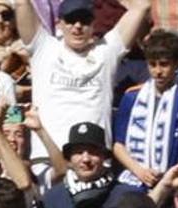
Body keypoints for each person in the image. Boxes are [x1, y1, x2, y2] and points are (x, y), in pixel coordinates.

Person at [17, 0, 152, 171]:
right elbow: (21, 3)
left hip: (94, 160)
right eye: (71, 20)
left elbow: (142, 6)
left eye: (84, 20)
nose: (78, 26)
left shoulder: (106, 51)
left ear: (94, 24)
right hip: (48, 159)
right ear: (59, 23)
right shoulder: (43, 48)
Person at [111, 29, 178, 191]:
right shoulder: (132, 96)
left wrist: (171, 176)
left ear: (177, 64)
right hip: (134, 179)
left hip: (172, 182)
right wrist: (138, 170)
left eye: (164, 64)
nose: (158, 71)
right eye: (152, 64)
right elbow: (119, 145)